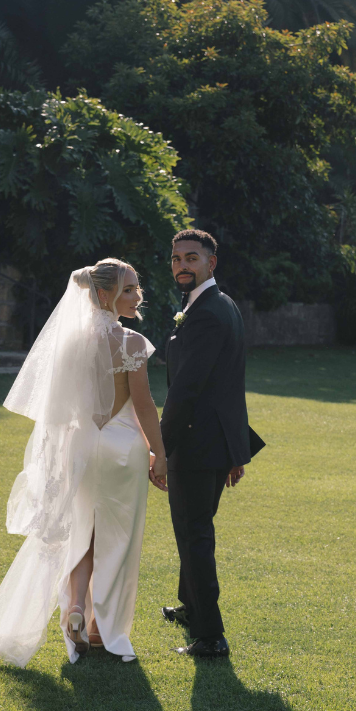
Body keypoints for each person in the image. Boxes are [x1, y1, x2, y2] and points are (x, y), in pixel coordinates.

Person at [0, 259, 167, 667]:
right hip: (122, 450)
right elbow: (144, 405)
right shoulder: (131, 343)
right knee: (117, 538)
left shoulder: (69, 341)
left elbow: (59, 410)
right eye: (129, 289)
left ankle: (76, 610)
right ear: (105, 295)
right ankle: (105, 631)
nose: (138, 296)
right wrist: (161, 455)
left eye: (136, 288)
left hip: (80, 447)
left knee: (80, 534)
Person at [159, 230, 265, 659]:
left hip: (196, 444)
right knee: (195, 528)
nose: (182, 265)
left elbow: (187, 389)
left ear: (211, 263)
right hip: (214, 443)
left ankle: (210, 636)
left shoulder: (206, 312)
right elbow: (227, 384)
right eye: (176, 258)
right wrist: (234, 450)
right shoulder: (217, 305)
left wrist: (160, 449)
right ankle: (191, 607)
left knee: (194, 533)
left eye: (192, 258)